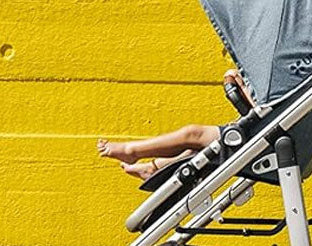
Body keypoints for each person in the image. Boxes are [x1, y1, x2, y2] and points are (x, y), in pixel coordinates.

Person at [97, 69, 254, 181]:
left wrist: (242, 86)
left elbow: (262, 107)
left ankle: (131, 151)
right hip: (261, 132)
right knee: (201, 151)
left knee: (193, 134)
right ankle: (153, 168)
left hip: (266, 135)